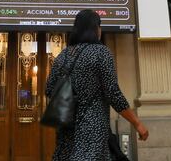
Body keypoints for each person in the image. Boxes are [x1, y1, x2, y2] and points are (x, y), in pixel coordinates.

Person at [45, 9, 149, 160]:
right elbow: (113, 93)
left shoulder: (63, 56)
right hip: (92, 129)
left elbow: (49, 89)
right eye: (99, 26)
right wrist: (137, 123)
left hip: (66, 130)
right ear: (95, 29)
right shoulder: (101, 53)